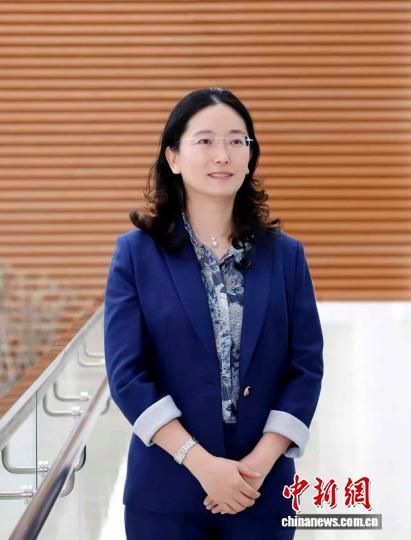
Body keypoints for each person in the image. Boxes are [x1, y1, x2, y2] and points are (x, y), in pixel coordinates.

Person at [103, 87, 324, 539]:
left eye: (237, 141)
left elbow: (305, 367)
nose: (222, 154)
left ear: (250, 156)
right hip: (165, 493)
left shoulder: (286, 256)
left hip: (260, 490)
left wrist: (258, 464)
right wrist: (201, 464)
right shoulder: (136, 254)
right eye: (204, 140)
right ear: (173, 157)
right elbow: (127, 374)